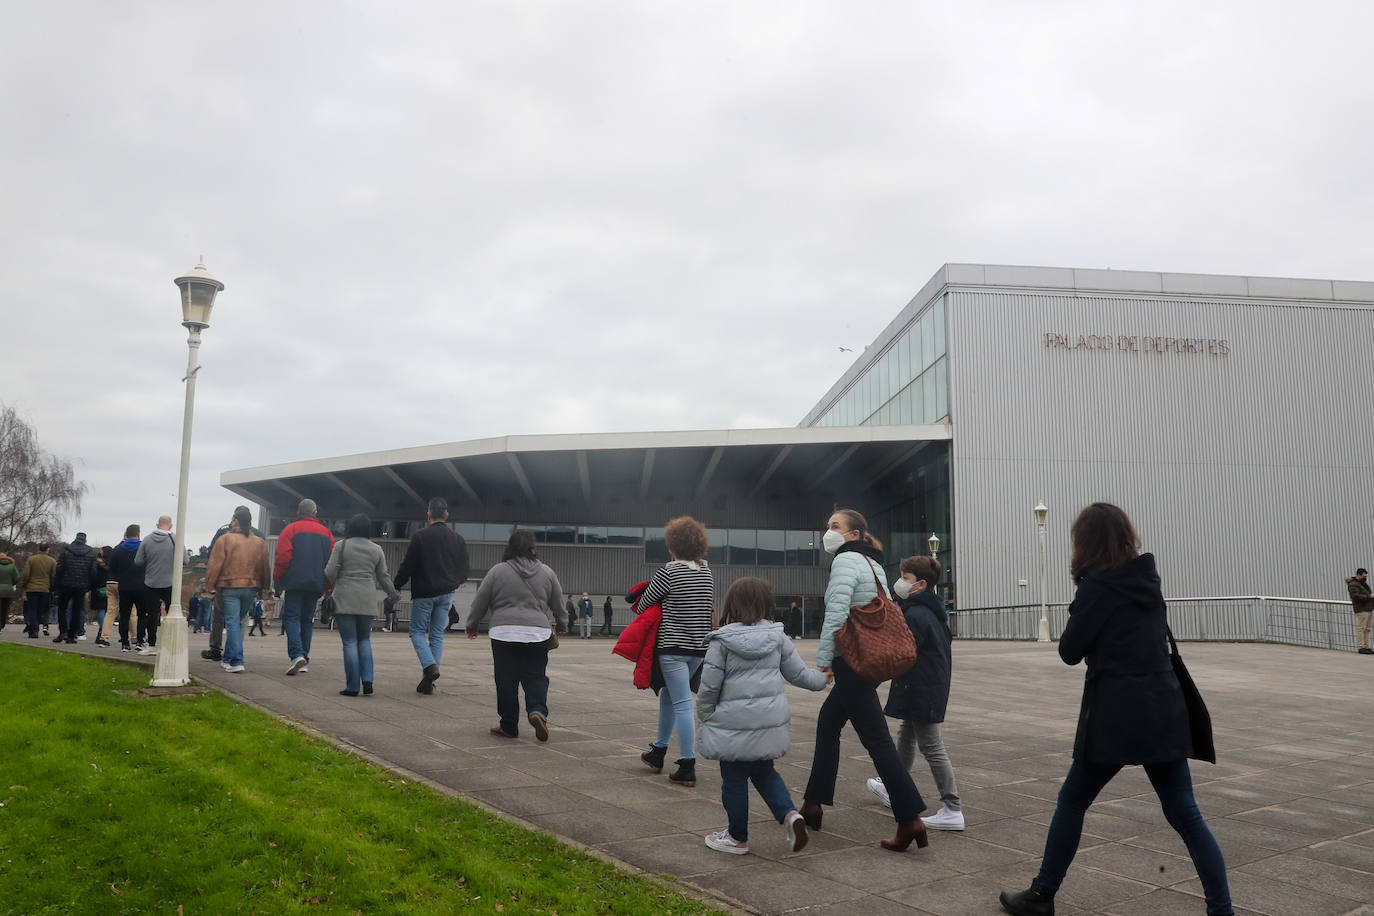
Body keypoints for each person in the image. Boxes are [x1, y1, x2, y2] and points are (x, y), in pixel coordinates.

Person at [999, 502, 1232, 916]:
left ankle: (1042, 895)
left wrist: (1081, 598)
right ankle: (1221, 909)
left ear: (1085, 543)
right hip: (1163, 707)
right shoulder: (1146, 579)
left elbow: (1070, 650)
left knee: (1072, 801)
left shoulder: (1098, 587)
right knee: (1186, 814)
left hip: (1115, 714)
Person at [801, 508, 928, 852]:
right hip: (866, 662)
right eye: (828, 525)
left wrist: (824, 661)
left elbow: (837, 614)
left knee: (877, 741)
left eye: (835, 526)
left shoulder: (846, 561)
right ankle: (813, 804)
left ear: (854, 533)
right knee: (828, 723)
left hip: (851, 661)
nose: (829, 531)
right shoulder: (873, 565)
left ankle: (909, 818)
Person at [698, 577, 827, 855]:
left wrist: (706, 715)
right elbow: (799, 675)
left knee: (733, 779)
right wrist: (823, 679)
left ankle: (736, 837)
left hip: (732, 723)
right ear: (766, 604)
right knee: (765, 773)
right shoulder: (777, 637)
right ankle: (790, 815)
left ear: (731, 605)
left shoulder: (722, 641)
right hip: (768, 722)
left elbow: (709, 686)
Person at [866, 555, 964, 831]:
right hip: (924, 686)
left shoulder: (916, 615)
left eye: (905, 578)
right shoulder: (931, 611)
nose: (900, 582)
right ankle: (892, 786)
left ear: (920, 584)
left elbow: (902, 653)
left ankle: (952, 808)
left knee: (931, 746)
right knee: (906, 736)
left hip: (922, 689)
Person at [465, 529, 567, 739]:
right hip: (537, 634)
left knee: (505, 680)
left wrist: (472, 625)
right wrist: (563, 624)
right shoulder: (547, 572)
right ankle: (537, 711)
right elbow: (558, 601)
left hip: (504, 633)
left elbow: (480, 601)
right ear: (532, 549)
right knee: (536, 676)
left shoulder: (497, 571)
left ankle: (509, 725)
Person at [636, 516, 715, 788]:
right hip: (698, 649)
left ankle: (687, 764)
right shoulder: (706, 572)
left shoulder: (668, 572)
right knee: (669, 697)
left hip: (672, 648)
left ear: (673, 545)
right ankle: (658, 751)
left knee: (681, 703)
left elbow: (644, 604)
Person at [393, 497, 469, 695]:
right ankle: (429, 681)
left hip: (424, 593)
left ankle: (429, 667)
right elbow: (464, 569)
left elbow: (407, 565)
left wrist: (396, 585)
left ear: (428, 515)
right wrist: (456, 582)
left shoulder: (420, 537)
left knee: (417, 632)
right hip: (446, 594)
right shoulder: (458, 538)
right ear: (446, 515)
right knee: (437, 635)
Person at [325, 514, 401, 697]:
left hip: (345, 598)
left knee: (350, 641)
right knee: (364, 640)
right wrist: (393, 594)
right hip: (367, 598)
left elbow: (329, 572)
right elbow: (383, 576)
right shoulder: (376, 549)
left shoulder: (341, 546)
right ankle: (368, 680)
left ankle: (352, 686)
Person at [204, 507, 271, 674]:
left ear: (235, 520)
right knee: (239, 621)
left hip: (229, 586)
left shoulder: (225, 539)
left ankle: (236, 660)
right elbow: (265, 567)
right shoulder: (259, 542)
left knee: (232, 621)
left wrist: (209, 587)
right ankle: (228, 658)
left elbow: (214, 565)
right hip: (251, 587)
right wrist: (265, 587)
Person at [273, 498, 335, 677]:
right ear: (315, 513)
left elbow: (283, 558)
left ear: (297, 513)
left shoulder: (290, 530)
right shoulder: (326, 533)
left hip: (294, 582)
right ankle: (305, 659)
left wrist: (278, 580)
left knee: (291, 618)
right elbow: (331, 561)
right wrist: (328, 585)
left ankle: (296, 655)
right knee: (307, 620)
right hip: (316, 583)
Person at [107, 526, 154, 652]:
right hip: (141, 586)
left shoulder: (117, 549)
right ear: (138, 534)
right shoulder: (144, 547)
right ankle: (139, 641)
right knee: (142, 615)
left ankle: (125, 643)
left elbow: (111, 569)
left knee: (124, 615)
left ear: (126, 534)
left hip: (124, 586)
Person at [135, 515, 177, 645]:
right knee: (172, 613)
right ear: (170, 525)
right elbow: (185, 560)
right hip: (170, 582)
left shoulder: (147, 540)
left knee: (152, 614)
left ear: (157, 525)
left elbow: (138, 561)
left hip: (151, 582)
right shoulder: (175, 539)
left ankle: (152, 642)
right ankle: (170, 641)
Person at [52, 532, 99, 644]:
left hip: (65, 584)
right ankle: (72, 635)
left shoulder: (65, 551)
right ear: (85, 540)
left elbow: (59, 569)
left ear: (75, 538)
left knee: (62, 608)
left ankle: (63, 631)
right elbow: (93, 572)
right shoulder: (92, 553)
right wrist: (90, 586)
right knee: (77, 611)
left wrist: (56, 585)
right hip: (82, 586)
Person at [19, 543, 56, 638]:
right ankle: (40, 625)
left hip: (32, 588)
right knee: (41, 610)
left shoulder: (31, 559)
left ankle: (34, 630)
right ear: (48, 549)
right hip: (45, 588)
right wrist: (52, 587)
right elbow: (54, 575)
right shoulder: (52, 561)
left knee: (32, 609)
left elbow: (26, 573)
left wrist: (23, 585)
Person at [1348, 568, 1372, 655]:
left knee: (1367, 629)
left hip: (1368, 608)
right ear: (1359, 575)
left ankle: (1366, 646)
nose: (1365, 577)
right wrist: (1369, 596)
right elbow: (1355, 596)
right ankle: (1361, 647)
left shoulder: (1362, 583)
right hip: (1361, 609)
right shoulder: (1353, 584)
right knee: (1362, 628)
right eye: (1364, 575)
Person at [90, 547, 111, 646]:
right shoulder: (112, 562)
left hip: (99, 588)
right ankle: (103, 631)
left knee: (101, 610)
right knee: (108, 611)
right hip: (110, 587)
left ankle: (101, 631)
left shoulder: (97, 563)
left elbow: (94, 574)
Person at [0, 550, 19, 631]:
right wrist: (11, 583)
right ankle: (2, 623)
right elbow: (17, 578)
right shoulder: (12, 566)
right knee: (5, 608)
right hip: (8, 590)